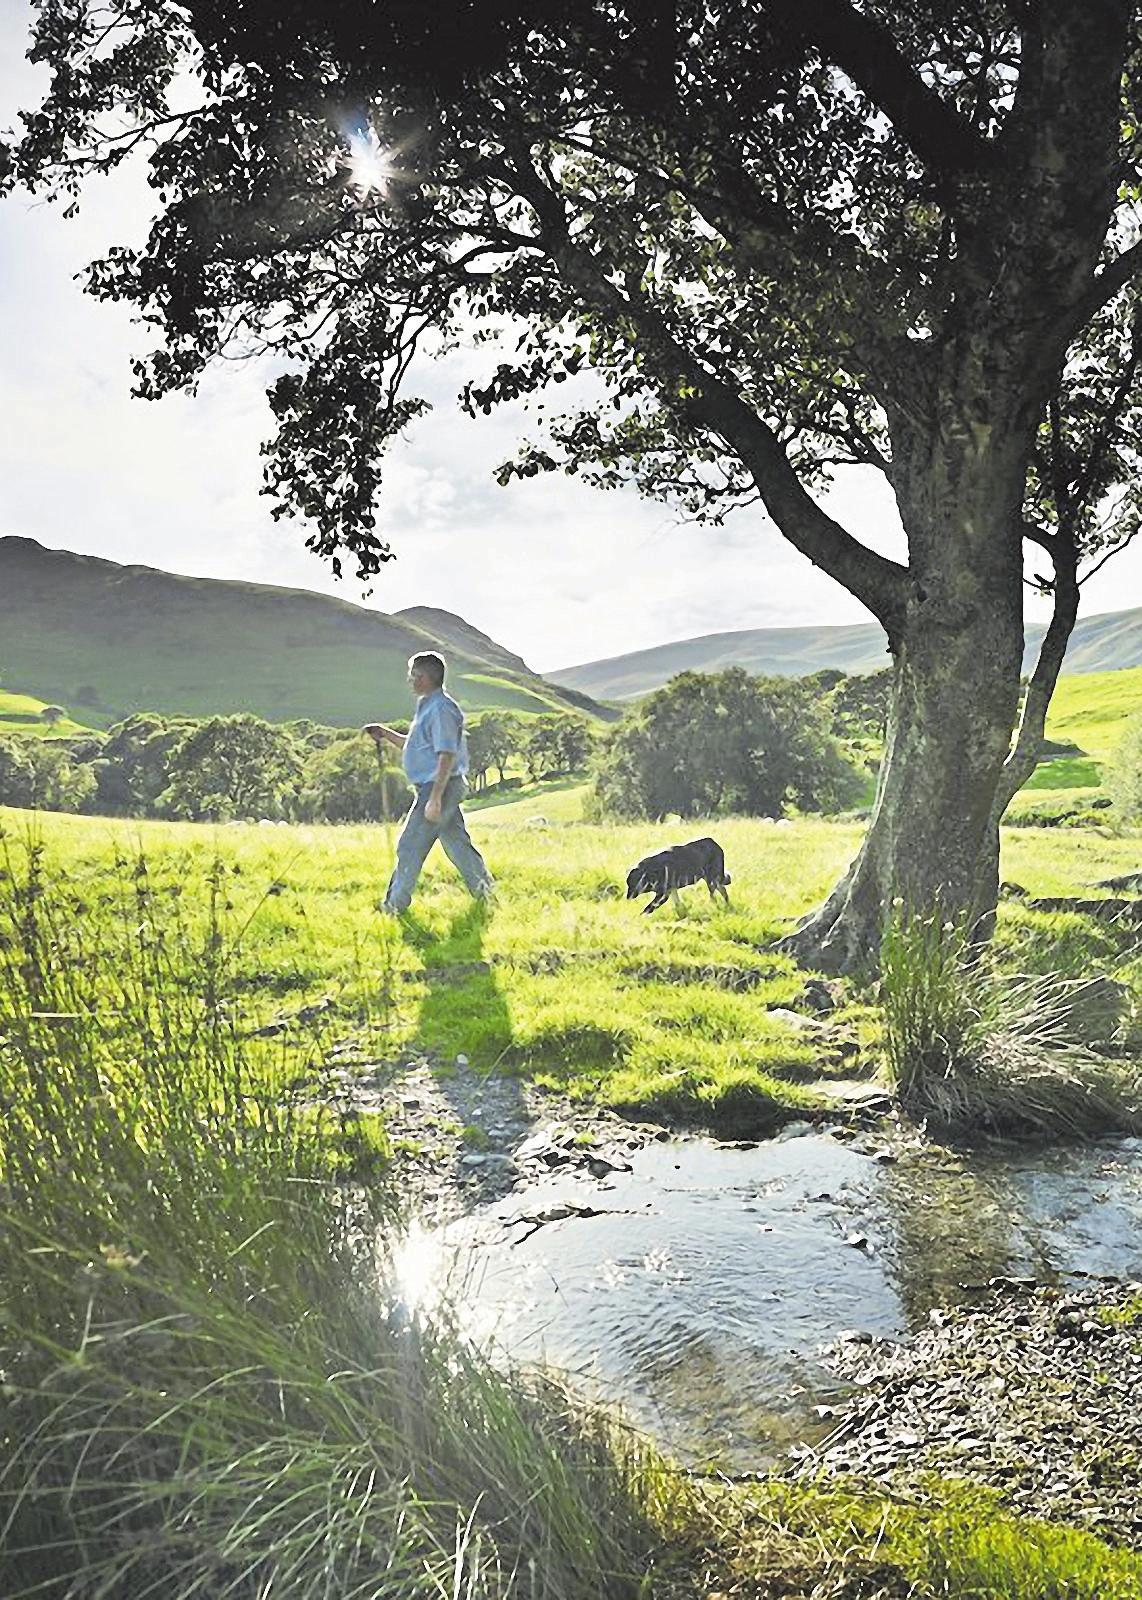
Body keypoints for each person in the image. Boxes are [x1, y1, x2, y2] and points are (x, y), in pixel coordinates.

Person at [364, 651, 494, 914]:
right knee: (456, 844)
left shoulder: (442, 709)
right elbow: (415, 745)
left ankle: (393, 906)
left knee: (410, 845)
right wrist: (386, 734)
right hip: (437, 786)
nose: (409, 680)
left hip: (439, 786)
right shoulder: (428, 705)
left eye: (413, 675)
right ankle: (486, 893)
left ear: (426, 677)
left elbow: (446, 754)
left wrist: (435, 798)